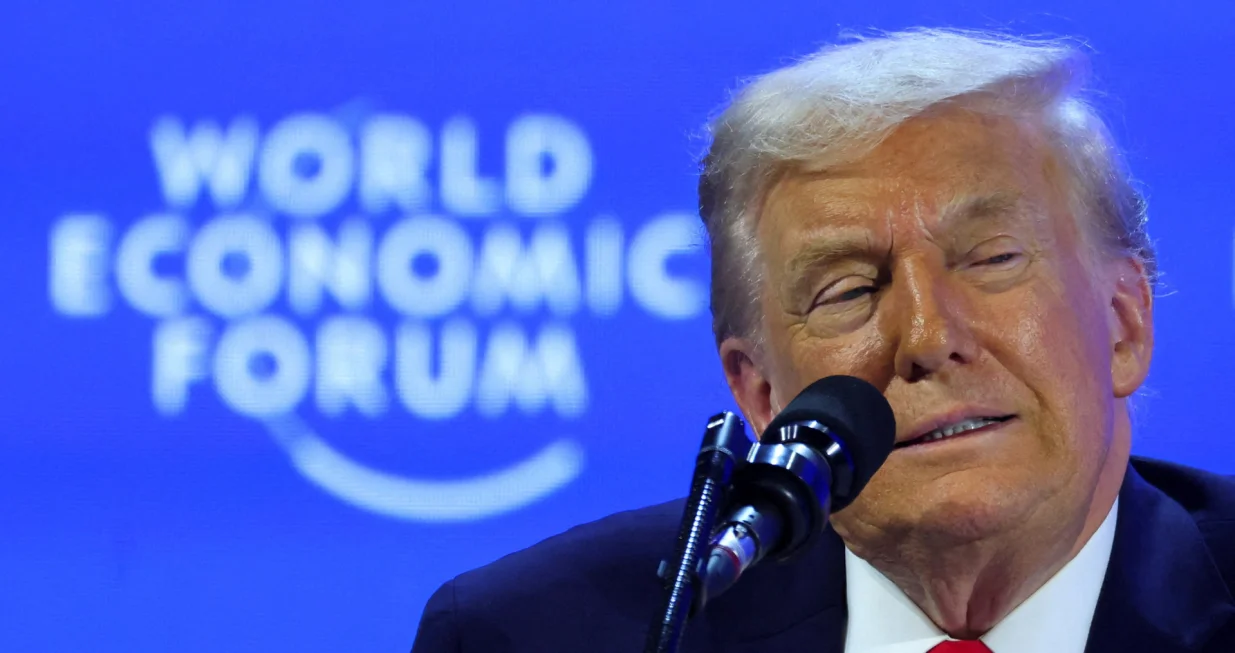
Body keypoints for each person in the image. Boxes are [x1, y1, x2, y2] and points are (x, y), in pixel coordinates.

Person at [411, 29, 1235, 652]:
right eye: (847, 290)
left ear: (1125, 321)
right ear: (761, 394)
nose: (926, 334)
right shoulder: (530, 634)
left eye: (990, 259)